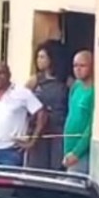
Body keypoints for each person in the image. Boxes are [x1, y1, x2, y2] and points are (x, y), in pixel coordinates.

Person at [0, 61, 47, 168]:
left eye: (1, 73)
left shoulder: (22, 93)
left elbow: (42, 113)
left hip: (13, 149)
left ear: (9, 74)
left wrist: (32, 141)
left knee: (9, 183)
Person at [24, 41, 70, 170]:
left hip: (58, 131)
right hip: (38, 131)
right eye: (37, 57)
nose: (39, 60)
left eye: (42, 57)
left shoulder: (66, 81)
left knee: (56, 167)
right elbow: (23, 102)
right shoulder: (35, 81)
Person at [63, 51, 95, 174]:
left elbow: (90, 127)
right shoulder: (76, 86)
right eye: (75, 66)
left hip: (81, 153)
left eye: (82, 66)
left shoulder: (93, 92)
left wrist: (77, 152)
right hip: (68, 150)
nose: (78, 69)